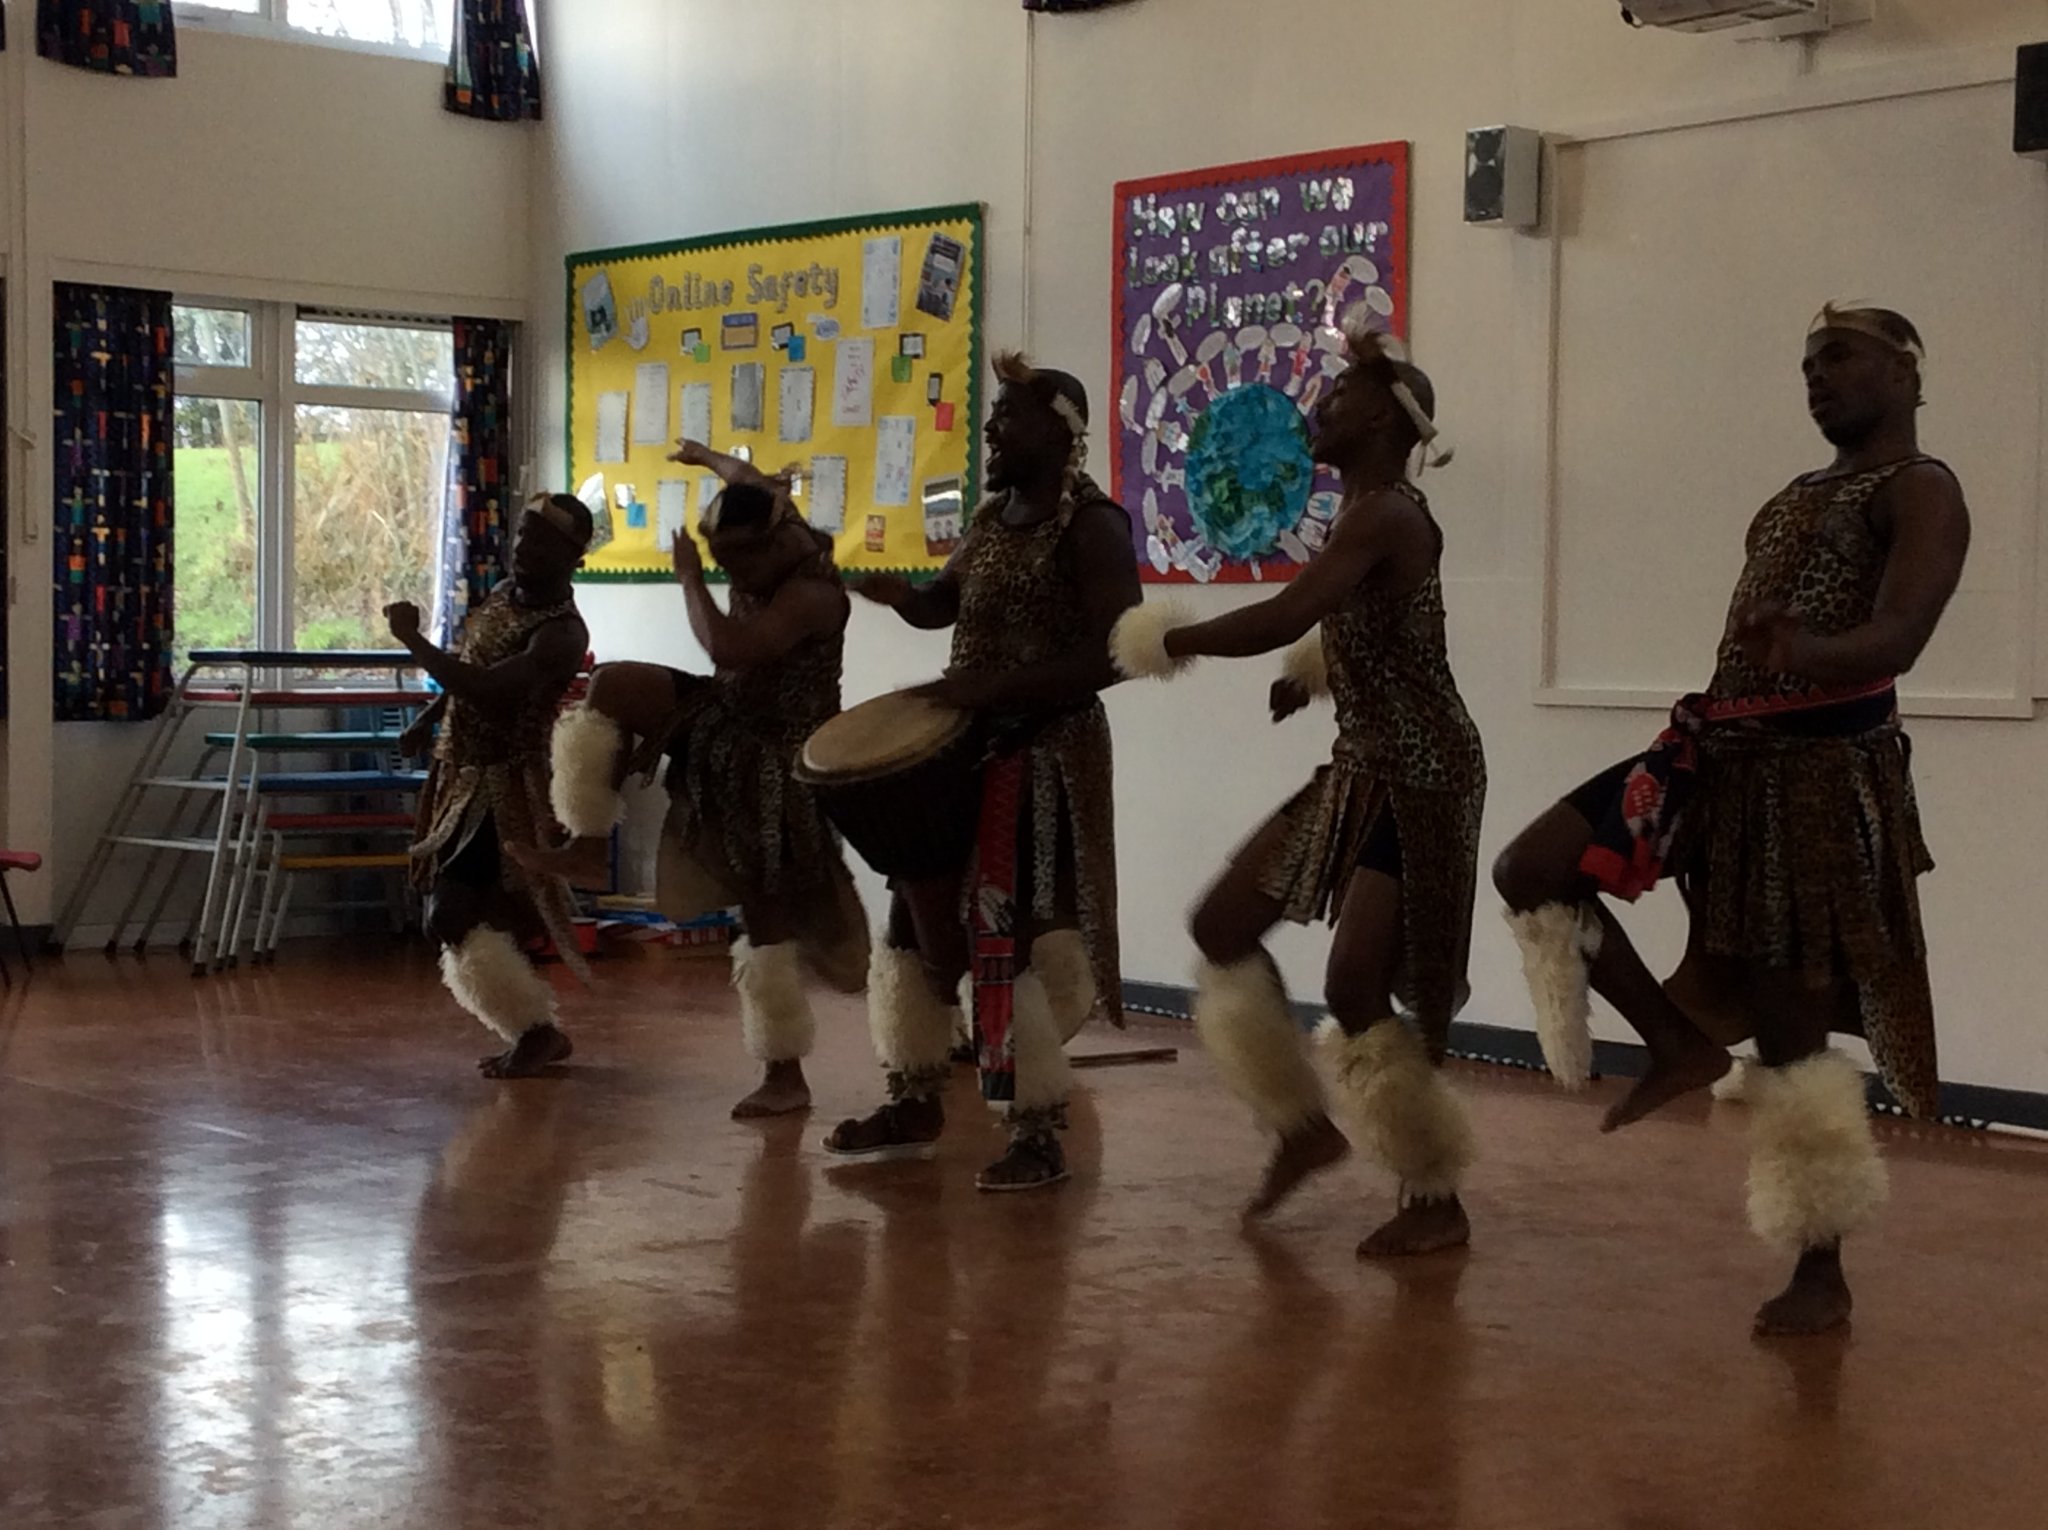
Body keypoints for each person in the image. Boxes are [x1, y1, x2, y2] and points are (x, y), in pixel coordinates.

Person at [1491, 304, 1970, 1335]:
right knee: (1531, 866)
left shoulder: (1920, 489)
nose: (1815, 378)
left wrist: (1801, 649)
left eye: (1837, 358)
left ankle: (1818, 1270)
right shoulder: (1793, 495)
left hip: (1816, 775)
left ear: (1904, 370)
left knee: (1792, 1032)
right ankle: (1673, 1043)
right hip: (1714, 757)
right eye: (1804, 363)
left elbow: (1900, 635)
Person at [1114, 313, 1486, 1257]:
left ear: (1392, 422)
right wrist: (1311, 669)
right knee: (1221, 927)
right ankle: (1302, 1127)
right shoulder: (1364, 517)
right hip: (1362, 764)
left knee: (1358, 984)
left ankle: (1432, 1195)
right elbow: (1366, 621)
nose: (1320, 405)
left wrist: (1180, 638)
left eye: (1343, 396)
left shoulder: (1386, 511)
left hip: (1423, 773)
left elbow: (1295, 603)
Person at [822, 351, 1140, 1191]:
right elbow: (945, 608)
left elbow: (1116, 655)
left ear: (1060, 430)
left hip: (1041, 751)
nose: (991, 430)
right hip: (965, 742)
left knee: (1011, 933)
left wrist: (991, 688)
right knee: (910, 917)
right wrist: (902, 598)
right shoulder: (995, 518)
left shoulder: (1094, 527)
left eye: (1007, 417)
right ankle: (914, 1092)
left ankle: (1037, 1126)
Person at [510, 441, 867, 1118]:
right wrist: (704, 456)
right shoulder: (765, 511)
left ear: (774, 543)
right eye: (719, 560)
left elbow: (732, 646)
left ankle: (784, 1073)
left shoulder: (812, 594)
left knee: (763, 917)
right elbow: (744, 477)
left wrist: (690, 579)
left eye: (736, 563)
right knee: (612, 684)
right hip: (725, 711)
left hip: (781, 757)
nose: (730, 571)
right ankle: (587, 845)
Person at [392, 492, 596, 1079]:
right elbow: (469, 669)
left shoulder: (561, 633)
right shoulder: (504, 596)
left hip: (505, 788)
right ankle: (534, 1031)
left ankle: (536, 1030)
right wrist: (426, 722)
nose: (522, 547)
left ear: (573, 555)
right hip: (459, 772)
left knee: (452, 914)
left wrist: (413, 640)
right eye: (522, 532)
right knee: (460, 913)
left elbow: (489, 688)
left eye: (539, 539)